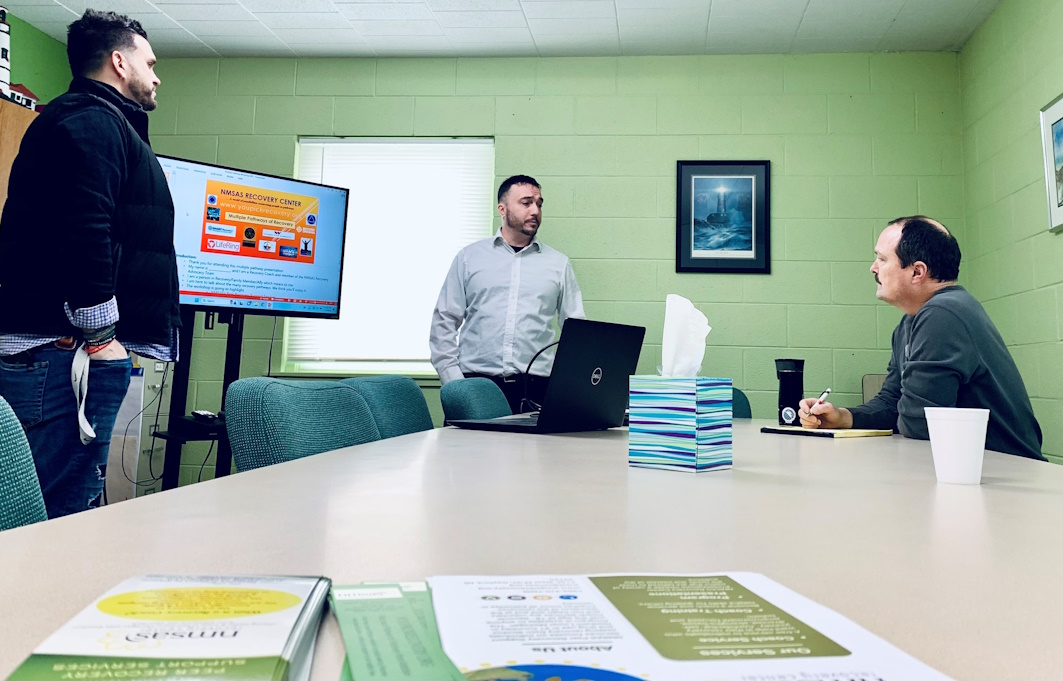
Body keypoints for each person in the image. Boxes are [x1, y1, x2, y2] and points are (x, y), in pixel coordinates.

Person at [0, 10, 181, 518]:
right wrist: (101, 337)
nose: (156, 74)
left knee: (58, 510)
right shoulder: (93, 122)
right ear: (119, 62)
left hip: (67, 355)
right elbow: (85, 229)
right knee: (51, 517)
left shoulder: (99, 122)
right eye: (149, 62)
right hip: (67, 356)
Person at [798, 216, 1043, 461]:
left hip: (1005, 471)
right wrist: (841, 416)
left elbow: (919, 423)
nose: (873, 268)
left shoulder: (943, 314)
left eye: (882, 259)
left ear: (917, 272)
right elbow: (892, 401)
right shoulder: (912, 320)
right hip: (970, 467)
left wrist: (900, 412)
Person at [430, 175, 585, 413]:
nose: (535, 210)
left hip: (536, 390)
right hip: (475, 386)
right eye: (526, 203)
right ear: (502, 209)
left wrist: (565, 387)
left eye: (539, 204)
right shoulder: (469, 258)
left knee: (540, 452)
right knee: (466, 451)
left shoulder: (558, 264)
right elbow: (444, 323)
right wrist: (455, 384)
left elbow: (576, 332)